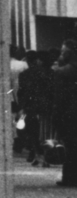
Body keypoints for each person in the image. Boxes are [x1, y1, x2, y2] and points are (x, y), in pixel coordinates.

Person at [51, 40, 77, 186]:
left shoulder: (62, 72)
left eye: (62, 52)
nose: (60, 55)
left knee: (71, 147)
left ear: (68, 53)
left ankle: (70, 178)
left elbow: (59, 98)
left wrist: (56, 117)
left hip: (70, 115)